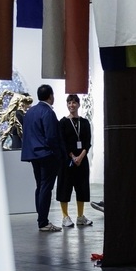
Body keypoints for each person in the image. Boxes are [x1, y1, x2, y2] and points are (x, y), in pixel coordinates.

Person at [21, 84, 63, 232]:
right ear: (51, 96)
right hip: (46, 155)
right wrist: (58, 154)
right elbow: (51, 136)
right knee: (46, 187)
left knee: (40, 186)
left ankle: (41, 219)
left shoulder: (30, 112)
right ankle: (43, 222)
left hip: (33, 155)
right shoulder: (48, 112)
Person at [57, 94, 93, 227]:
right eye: (69, 103)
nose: (71, 105)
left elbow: (87, 142)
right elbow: (62, 142)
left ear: (78, 104)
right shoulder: (62, 123)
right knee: (64, 188)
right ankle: (65, 216)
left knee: (82, 188)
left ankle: (80, 216)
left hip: (82, 161)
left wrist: (81, 156)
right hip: (67, 161)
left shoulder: (85, 122)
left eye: (74, 102)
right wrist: (73, 156)